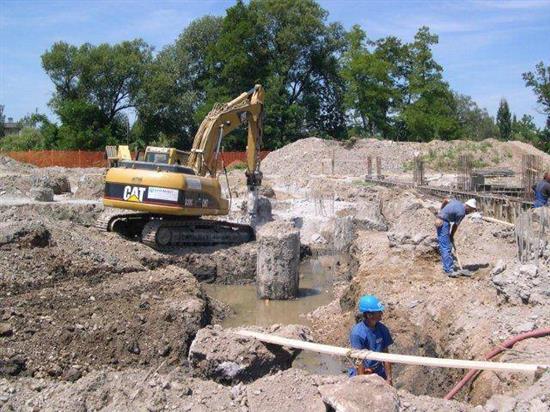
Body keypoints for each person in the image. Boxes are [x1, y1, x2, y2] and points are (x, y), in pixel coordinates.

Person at [349, 295, 393, 385]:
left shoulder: (382, 329)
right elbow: (358, 359)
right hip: (363, 370)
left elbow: (386, 355)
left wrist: (389, 378)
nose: (381, 313)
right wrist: (362, 379)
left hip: (378, 370)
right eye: (378, 311)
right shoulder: (358, 333)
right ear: (369, 315)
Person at [435, 198, 477, 277]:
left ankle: (447, 267)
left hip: (442, 220)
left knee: (445, 246)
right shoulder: (462, 213)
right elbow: (455, 225)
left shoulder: (456, 201)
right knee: (446, 247)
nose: (470, 212)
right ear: (468, 207)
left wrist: (441, 211)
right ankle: (448, 270)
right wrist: (451, 235)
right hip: (443, 223)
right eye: (471, 210)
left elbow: (445, 200)